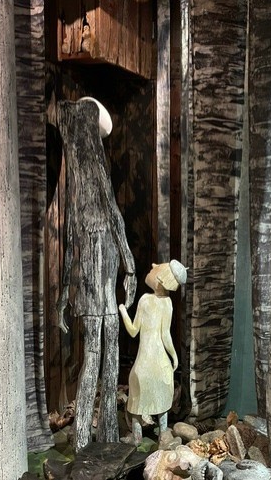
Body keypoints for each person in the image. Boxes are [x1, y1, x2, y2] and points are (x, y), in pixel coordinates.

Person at [56, 97, 136, 452]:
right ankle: (85, 440)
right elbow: (72, 248)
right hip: (96, 301)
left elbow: (112, 222)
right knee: (97, 362)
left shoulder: (85, 195)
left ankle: (100, 437)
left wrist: (129, 269)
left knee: (104, 362)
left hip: (101, 299)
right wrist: (62, 298)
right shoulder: (83, 196)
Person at [118, 260, 187, 443]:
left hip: (144, 363)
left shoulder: (145, 300)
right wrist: (173, 356)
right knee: (161, 399)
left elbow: (133, 330)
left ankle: (137, 437)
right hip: (161, 362)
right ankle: (163, 435)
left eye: (155, 269)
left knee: (137, 399)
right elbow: (166, 335)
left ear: (160, 279)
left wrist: (123, 310)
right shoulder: (168, 303)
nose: (152, 267)